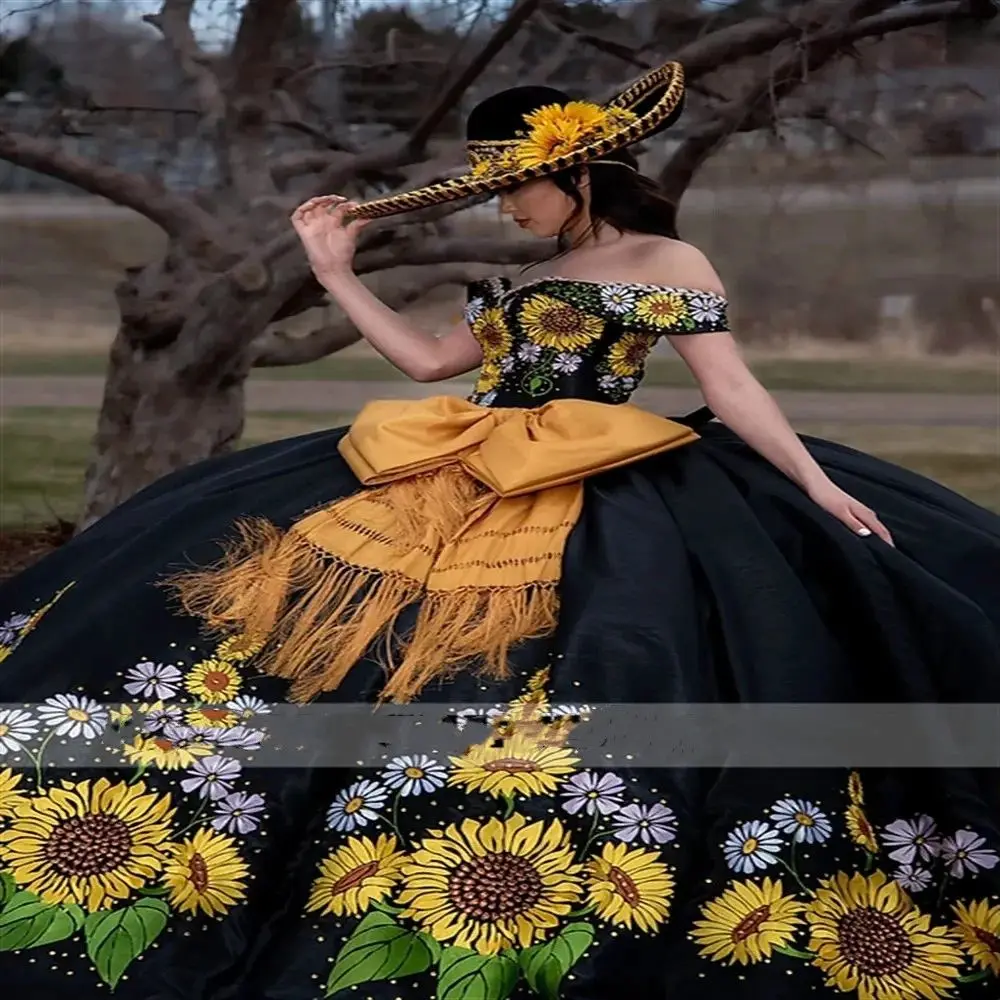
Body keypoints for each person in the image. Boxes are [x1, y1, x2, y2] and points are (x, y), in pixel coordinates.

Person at [0, 61, 998, 1000]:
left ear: (575, 170)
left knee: (564, 648)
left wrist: (817, 486)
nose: (502, 201)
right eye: (492, 183)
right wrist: (334, 270)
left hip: (588, 471)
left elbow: (727, 386)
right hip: (453, 456)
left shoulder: (665, 258)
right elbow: (433, 364)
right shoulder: (530, 272)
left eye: (516, 182)